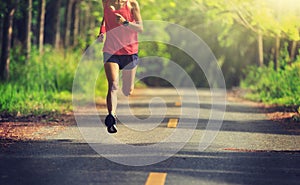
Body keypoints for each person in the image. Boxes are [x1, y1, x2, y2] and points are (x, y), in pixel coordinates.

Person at [98, 0, 143, 133]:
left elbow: (140, 28)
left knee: (127, 90)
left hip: (130, 52)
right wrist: (102, 31)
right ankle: (112, 116)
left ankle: (113, 113)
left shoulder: (132, 4)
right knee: (113, 85)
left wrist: (125, 22)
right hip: (111, 50)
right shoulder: (105, 2)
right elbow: (104, 19)